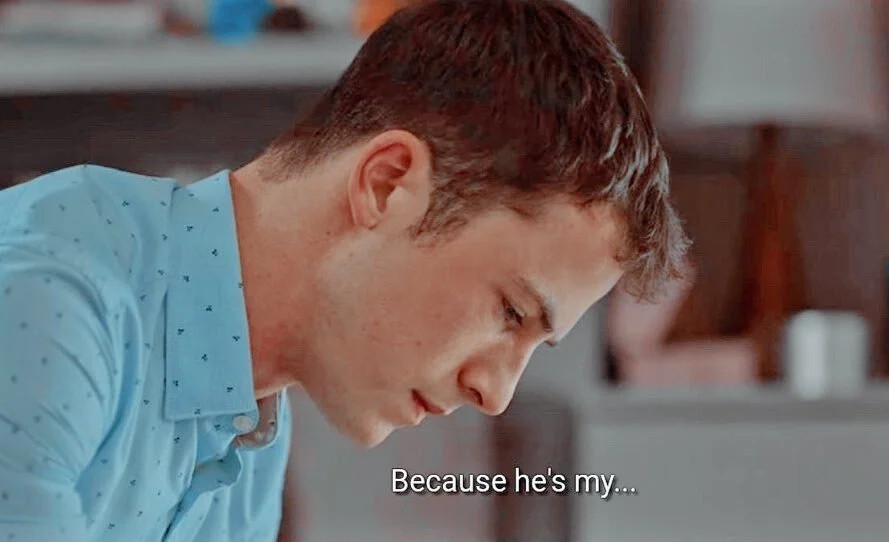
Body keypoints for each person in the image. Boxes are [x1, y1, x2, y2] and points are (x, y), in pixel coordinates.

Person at [0, 0, 690, 540]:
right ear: (386, 185)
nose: (495, 393)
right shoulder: (53, 304)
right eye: (511, 312)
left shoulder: (248, 436)